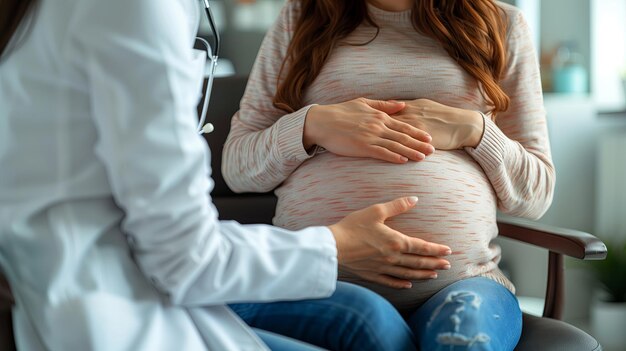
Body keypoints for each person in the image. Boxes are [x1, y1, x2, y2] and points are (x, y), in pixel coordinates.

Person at [0, 0, 456, 350]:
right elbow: (190, 252)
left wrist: (476, 133)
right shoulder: (138, 12)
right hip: (112, 302)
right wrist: (337, 242)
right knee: (372, 328)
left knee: (371, 321)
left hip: (118, 273)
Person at [222, 0, 556, 350]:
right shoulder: (301, 16)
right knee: (373, 327)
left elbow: (537, 193)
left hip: (465, 283)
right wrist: (310, 125)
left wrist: (475, 129)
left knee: (463, 340)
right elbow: (238, 167)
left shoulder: (502, 23)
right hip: (321, 279)